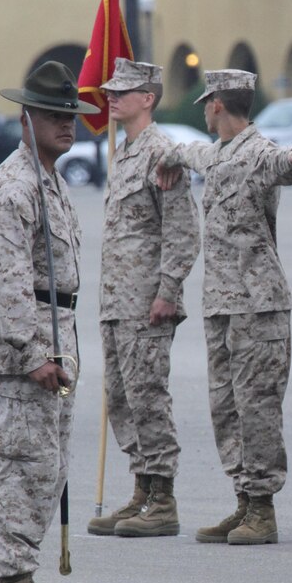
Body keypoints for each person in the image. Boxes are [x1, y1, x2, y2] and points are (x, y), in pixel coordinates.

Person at [158, 69, 292, 546]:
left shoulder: (258, 152)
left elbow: (285, 164)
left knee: (256, 408)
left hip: (257, 306)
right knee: (226, 406)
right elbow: (193, 153)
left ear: (217, 104)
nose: (203, 110)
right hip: (222, 304)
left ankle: (262, 507)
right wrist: (172, 155)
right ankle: (243, 499)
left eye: (206, 103)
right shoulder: (219, 154)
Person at [0, 61, 96, 583]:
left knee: (47, 467)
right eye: (53, 115)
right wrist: (33, 355)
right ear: (26, 118)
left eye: (70, 115)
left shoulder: (49, 177)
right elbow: (8, 282)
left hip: (56, 339)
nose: (66, 125)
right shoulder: (14, 187)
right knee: (25, 466)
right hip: (29, 350)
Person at [87, 59, 200, 539]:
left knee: (148, 397)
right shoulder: (125, 151)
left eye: (123, 92)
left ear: (148, 98)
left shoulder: (162, 154)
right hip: (117, 301)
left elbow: (182, 231)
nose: (111, 98)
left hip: (146, 303)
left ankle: (163, 498)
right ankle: (141, 487)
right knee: (120, 397)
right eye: (111, 91)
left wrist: (168, 292)